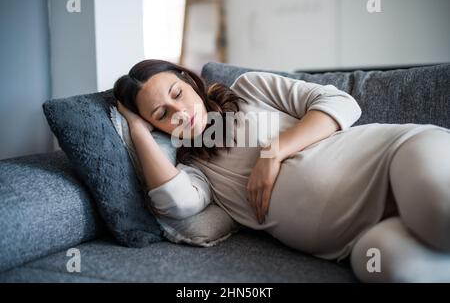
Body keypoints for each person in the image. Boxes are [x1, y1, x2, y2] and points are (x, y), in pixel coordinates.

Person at [113, 59, 450, 282]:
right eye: (161, 114)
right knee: (394, 269)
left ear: (188, 80)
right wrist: (137, 131)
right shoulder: (194, 169)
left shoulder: (248, 89)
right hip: (358, 240)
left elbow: (340, 103)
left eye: (178, 93)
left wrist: (273, 153)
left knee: (437, 216)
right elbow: (176, 204)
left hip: (393, 156)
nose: (180, 113)